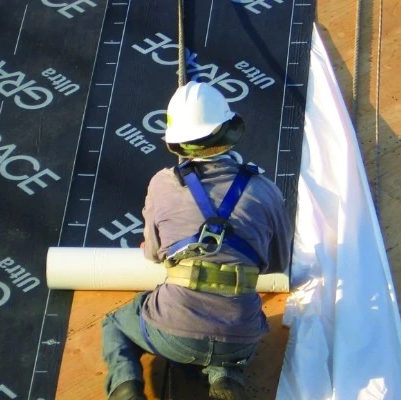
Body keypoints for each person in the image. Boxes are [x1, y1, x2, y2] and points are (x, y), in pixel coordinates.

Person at [102, 81, 293, 400]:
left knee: (116, 325)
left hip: (171, 332)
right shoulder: (265, 190)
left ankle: (126, 390)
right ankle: (227, 374)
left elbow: (152, 254)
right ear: (228, 131)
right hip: (240, 334)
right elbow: (278, 263)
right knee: (233, 347)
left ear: (176, 144)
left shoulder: (162, 185)